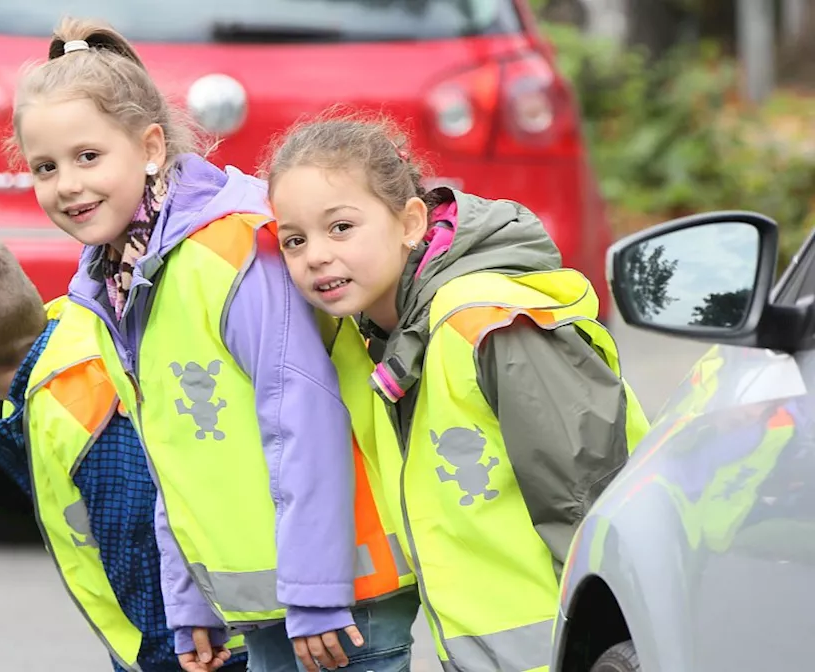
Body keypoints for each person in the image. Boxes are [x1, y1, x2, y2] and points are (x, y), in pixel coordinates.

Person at [8, 17, 421, 672]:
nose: (68, 184)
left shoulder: (230, 250)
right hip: (266, 606)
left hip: (339, 597)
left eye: (89, 157)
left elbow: (303, 419)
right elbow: (175, 454)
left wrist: (316, 596)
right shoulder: (116, 284)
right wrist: (192, 604)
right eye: (45, 167)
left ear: (149, 148)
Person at [262, 110, 652, 671]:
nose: (316, 255)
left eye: (341, 227)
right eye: (294, 240)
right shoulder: (372, 337)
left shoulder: (490, 323)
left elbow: (587, 500)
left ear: (411, 223)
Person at [0, 233, 246, 672]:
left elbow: (138, 540)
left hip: (193, 647)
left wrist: (163, 654)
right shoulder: (72, 341)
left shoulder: (75, 412)